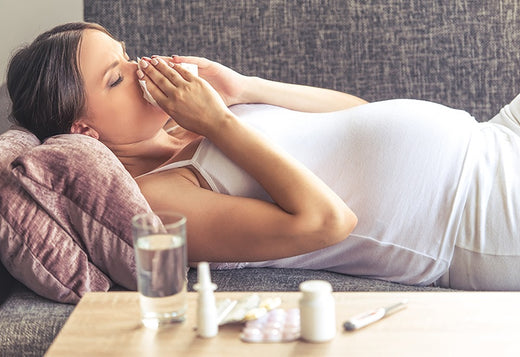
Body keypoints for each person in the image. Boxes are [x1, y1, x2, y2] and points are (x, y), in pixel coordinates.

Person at [6, 22, 520, 291]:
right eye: (115, 77)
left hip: (491, 135)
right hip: (473, 217)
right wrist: (219, 124)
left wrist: (243, 88)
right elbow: (328, 221)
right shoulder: (158, 201)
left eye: (125, 52)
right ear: (85, 132)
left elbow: (358, 113)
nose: (139, 68)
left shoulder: (195, 119)